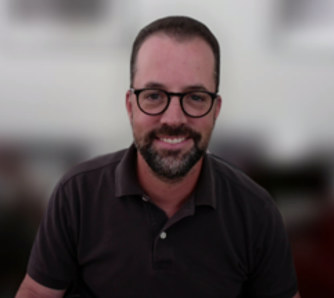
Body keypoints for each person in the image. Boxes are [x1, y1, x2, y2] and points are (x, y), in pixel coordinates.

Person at [16, 16, 300, 297]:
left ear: (215, 109)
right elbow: (37, 293)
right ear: (130, 106)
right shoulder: (76, 194)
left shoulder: (256, 212)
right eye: (154, 95)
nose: (173, 118)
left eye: (195, 97)